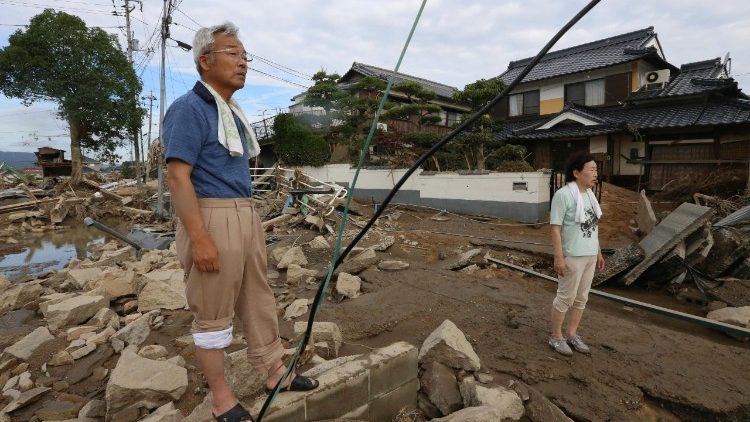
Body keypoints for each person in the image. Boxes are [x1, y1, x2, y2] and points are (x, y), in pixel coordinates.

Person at [163, 22, 318, 422]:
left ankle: (275, 372)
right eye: (233, 52)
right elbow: (178, 176)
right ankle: (220, 398)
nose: (243, 61)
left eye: (244, 54)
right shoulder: (189, 108)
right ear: (205, 61)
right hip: (211, 215)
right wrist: (199, 238)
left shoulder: (230, 111)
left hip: (244, 215)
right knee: (213, 310)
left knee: (258, 299)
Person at [548, 152, 605, 356]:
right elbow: (555, 227)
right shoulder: (564, 195)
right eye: (591, 169)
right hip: (572, 255)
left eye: (596, 169)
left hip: (589, 255)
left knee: (581, 298)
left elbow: (593, 226)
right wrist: (558, 256)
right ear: (576, 173)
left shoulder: (590, 196)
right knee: (565, 298)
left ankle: (572, 334)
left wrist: (598, 252)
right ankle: (555, 336)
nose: (595, 173)